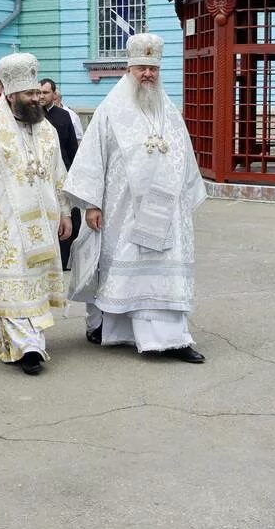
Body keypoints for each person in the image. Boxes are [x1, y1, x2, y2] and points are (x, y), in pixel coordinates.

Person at [65, 34, 207, 363]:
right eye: (142, 68)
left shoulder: (168, 110)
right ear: (129, 69)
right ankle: (116, 330)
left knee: (165, 274)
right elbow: (91, 159)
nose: (148, 75)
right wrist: (91, 205)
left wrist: (184, 199)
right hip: (123, 214)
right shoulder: (110, 110)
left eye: (153, 69)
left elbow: (184, 155)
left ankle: (174, 339)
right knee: (124, 275)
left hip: (166, 213)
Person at [0, 52, 72, 375]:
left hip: (44, 222)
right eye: (29, 94)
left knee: (35, 283)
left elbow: (57, 173)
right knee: (14, 282)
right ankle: (28, 347)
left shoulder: (47, 130)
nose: (36, 99)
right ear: (11, 96)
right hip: (8, 223)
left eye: (37, 93)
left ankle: (26, 339)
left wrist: (65, 213)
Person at [38, 77, 81, 270]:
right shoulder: (31, 116)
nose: (41, 96)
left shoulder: (64, 116)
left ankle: (66, 259)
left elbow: (72, 147)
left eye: (45, 93)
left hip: (62, 172)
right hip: (39, 175)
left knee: (67, 215)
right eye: (38, 92)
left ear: (54, 94)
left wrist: (75, 174)